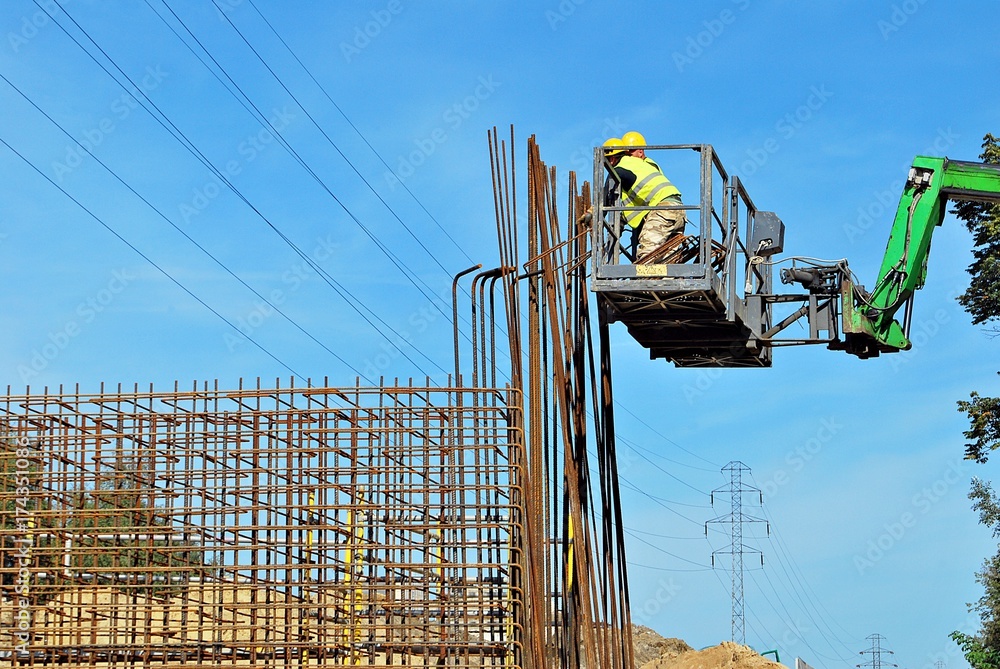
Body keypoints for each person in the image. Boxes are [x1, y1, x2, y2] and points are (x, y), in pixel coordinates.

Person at [605, 134, 686, 261]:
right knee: (668, 261)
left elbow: (606, 196)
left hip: (663, 211)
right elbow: (634, 202)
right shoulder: (646, 166)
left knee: (647, 258)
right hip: (678, 210)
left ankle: (646, 280)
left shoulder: (622, 169)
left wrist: (595, 212)